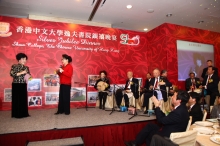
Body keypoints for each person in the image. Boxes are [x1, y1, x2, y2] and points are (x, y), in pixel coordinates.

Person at [124, 90, 189, 146]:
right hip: (170, 128)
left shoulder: (178, 112)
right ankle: (135, 143)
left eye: (174, 96)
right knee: (150, 126)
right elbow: (166, 118)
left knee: (150, 134)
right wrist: (159, 107)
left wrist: (157, 106)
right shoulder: (182, 108)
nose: (172, 97)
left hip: (169, 135)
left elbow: (160, 120)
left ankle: (136, 143)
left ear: (179, 100)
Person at [10, 53, 31, 118]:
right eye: (23, 59)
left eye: (25, 59)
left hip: (23, 84)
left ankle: (24, 113)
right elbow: (12, 74)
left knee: (23, 99)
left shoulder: (26, 67)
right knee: (17, 99)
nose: (24, 60)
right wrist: (21, 73)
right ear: (19, 59)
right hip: (16, 84)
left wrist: (29, 77)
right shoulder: (14, 66)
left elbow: (28, 75)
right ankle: (17, 114)